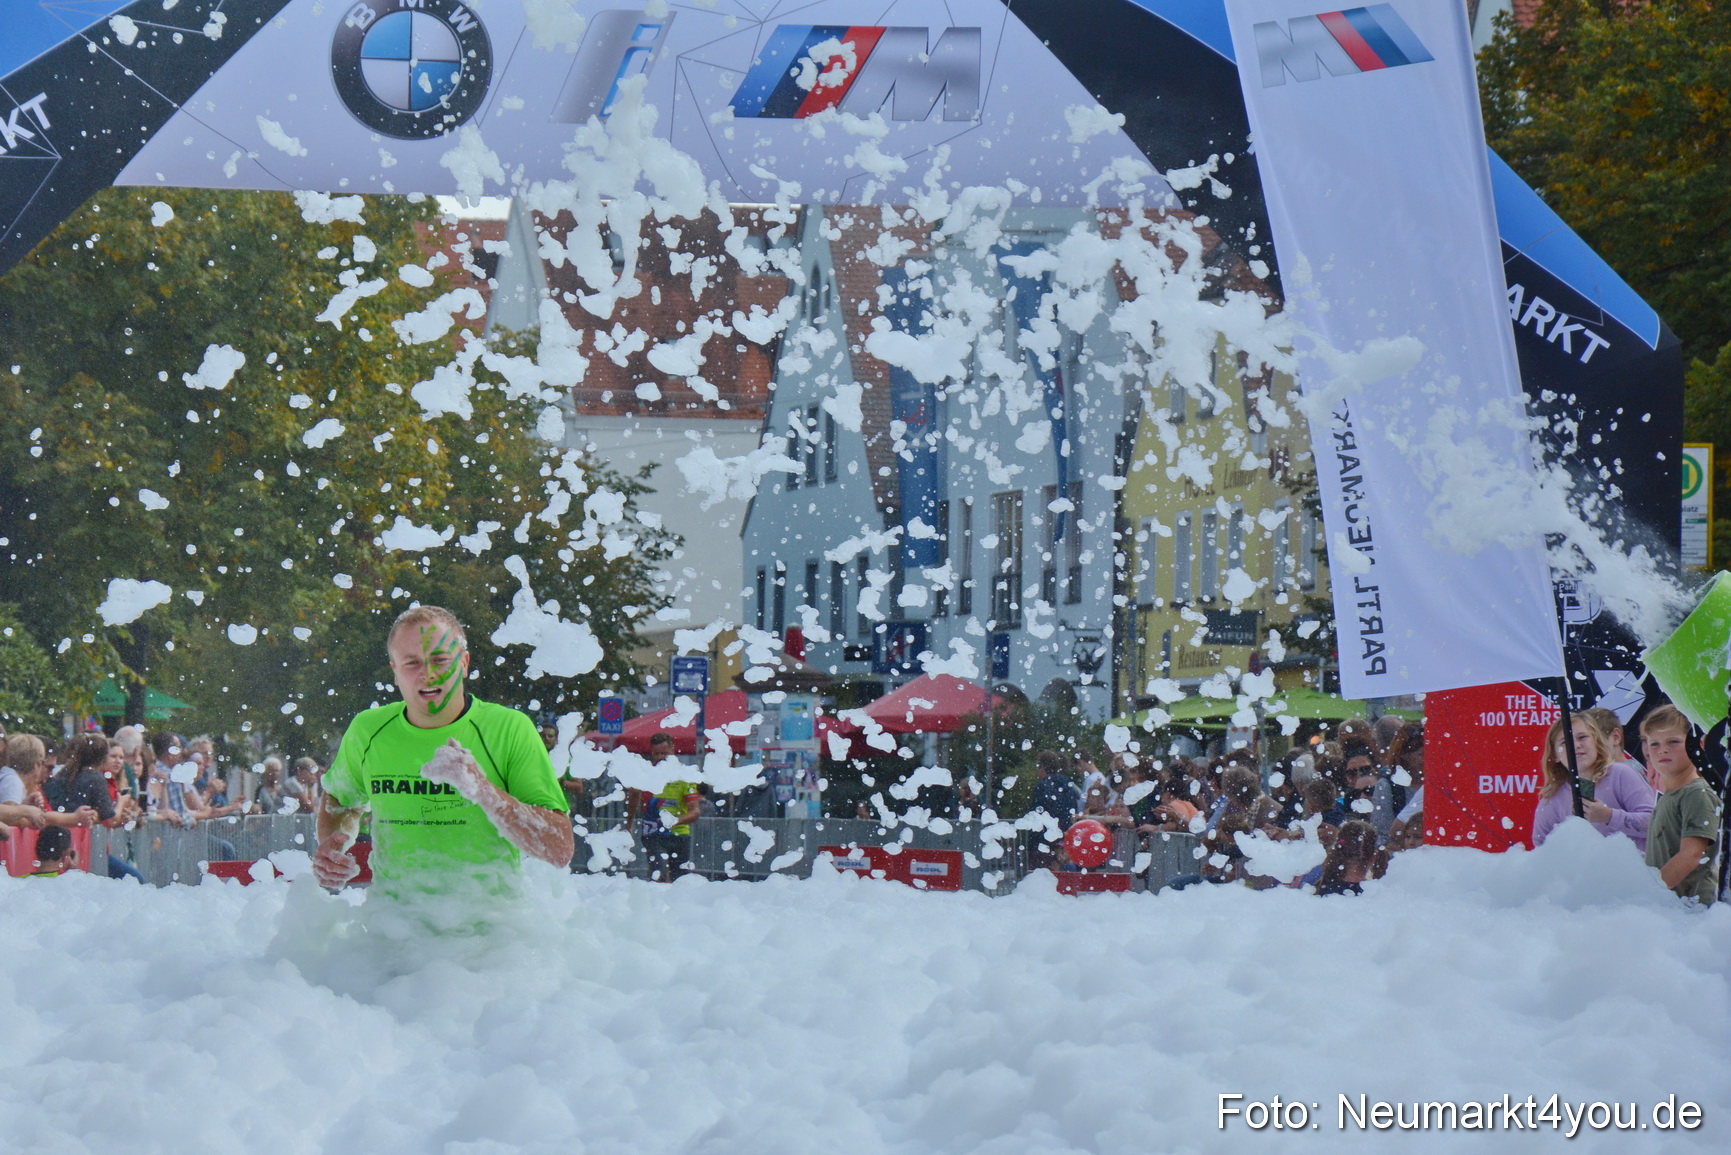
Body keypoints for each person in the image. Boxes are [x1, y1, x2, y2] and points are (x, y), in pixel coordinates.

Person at [312, 605, 574, 897]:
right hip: (393, 926)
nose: (428, 674)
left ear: (464, 663)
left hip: (492, 932)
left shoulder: (509, 729)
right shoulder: (368, 729)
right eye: (412, 663)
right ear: (395, 671)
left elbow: (560, 849)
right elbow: (340, 799)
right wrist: (331, 847)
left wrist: (483, 791)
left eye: (440, 660)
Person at [1531, 714, 1654, 852]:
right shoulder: (1551, 799)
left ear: (1596, 742)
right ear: (1555, 755)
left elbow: (1655, 824)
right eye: (1565, 742)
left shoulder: (1621, 774)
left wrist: (1608, 815)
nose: (1577, 745)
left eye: (1582, 737)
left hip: (1633, 869)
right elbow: (1542, 849)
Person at [1639, 705, 1721, 906]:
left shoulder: (1696, 793)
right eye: (1654, 744)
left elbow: (1692, 853)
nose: (1663, 750)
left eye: (1673, 741)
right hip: (1671, 908)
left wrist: (1649, 894)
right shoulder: (1668, 796)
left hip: (1693, 910)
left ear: (1695, 745)